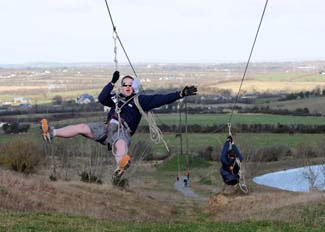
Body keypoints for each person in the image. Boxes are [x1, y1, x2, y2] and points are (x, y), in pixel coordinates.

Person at [41, 71, 197, 184]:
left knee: (120, 144)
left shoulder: (140, 100)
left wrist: (181, 93)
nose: (127, 87)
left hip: (122, 132)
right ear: (121, 87)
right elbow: (102, 98)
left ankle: (119, 168)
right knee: (82, 127)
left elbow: (161, 99)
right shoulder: (116, 100)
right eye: (124, 85)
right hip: (106, 128)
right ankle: (51, 132)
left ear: (134, 87)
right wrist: (111, 83)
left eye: (130, 85)